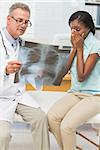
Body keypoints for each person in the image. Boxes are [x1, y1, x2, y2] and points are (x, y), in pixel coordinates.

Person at [0, 2, 50, 150]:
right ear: (9, 19)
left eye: (26, 22)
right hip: (1, 97)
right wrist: (4, 70)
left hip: (18, 94)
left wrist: (38, 73)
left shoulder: (25, 44)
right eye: (19, 20)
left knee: (41, 119)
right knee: (2, 136)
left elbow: (27, 73)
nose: (23, 25)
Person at [48, 10, 100, 150]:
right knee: (52, 118)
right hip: (76, 93)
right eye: (71, 29)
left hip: (94, 96)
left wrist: (80, 49)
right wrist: (74, 48)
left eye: (78, 29)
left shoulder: (96, 46)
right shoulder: (77, 43)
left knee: (67, 126)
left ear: (88, 28)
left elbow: (82, 76)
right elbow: (64, 71)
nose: (74, 33)